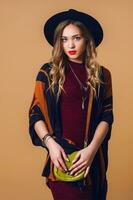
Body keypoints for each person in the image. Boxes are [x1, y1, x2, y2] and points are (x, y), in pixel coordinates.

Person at [28, 9, 114, 200]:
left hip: (93, 160)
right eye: (64, 39)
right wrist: (50, 144)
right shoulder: (48, 72)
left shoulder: (102, 75)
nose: (71, 45)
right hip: (63, 158)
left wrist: (91, 150)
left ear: (87, 40)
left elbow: (107, 116)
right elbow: (36, 113)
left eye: (76, 38)